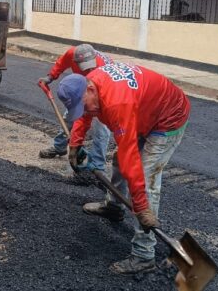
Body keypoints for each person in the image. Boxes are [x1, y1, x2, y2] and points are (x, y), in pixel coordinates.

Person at [58, 63, 190, 275]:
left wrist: (140, 207)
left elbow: (132, 159)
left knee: (146, 179)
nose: (86, 111)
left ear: (90, 89)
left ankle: (143, 255)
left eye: (84, 105)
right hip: (142, 109)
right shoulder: (88, 85)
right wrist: (75, 144)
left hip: (168, 118)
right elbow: (84, 115)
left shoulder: (116, 102)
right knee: (119, 160)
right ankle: (114, 207)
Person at [38, 44, 112, 172]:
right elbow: (61, 63)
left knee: (101, 129)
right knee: (69, 118)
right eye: (85, 67)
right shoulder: (72, 53)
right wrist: (50, 77)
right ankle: (59, 147)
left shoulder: (103, 69)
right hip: (83, 85)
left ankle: (98, 164)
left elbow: (85, 118)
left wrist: (76, 143)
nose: (88, 70)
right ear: (75, 61)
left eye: (90, 67)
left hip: (104, 89)